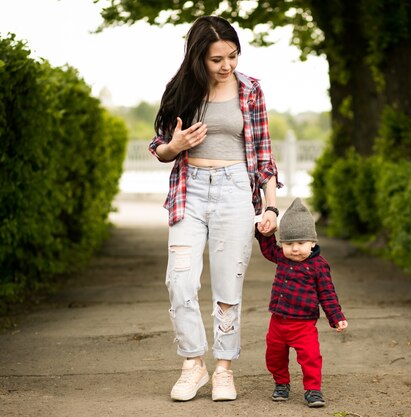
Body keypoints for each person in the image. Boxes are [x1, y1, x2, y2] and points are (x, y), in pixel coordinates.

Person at [148, 15, 280, 402]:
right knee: (181, 280)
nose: (226, 66)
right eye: (216, 59)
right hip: (190, 191)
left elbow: (264, 156)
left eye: (233, 56)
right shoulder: (180, 90)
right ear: (197, 58)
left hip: (235, 190)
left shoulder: (250, 89)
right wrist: (176, 146)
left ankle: (224, 368)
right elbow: (159, 146)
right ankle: (193, 364)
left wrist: (270, 207)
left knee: (228, 283)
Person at [255, 197, 348, 408]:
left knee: (311, 357)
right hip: (278, 322)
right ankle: (281, 383)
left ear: (312, 242)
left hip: (304, 325)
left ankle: (313, 390)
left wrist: (336, 317)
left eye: (300, 243)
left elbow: (327, 293)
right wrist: (263, 232)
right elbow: (268, 248)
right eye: (288, 244)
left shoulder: (318, 266)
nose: (294, 249)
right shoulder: (282, 257)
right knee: (274, 355)